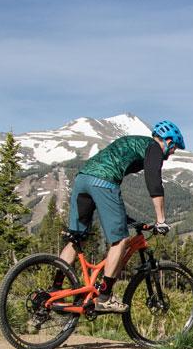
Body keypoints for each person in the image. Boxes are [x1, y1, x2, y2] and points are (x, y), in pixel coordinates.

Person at [54, 120, 185, 312]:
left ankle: (55, 290)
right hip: (104, 182)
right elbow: (154, 182)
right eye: (174, 148)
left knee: (77, 238)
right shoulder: (154, 148)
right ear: (168, 142)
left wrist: (126, 218)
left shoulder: (134, 142)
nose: (173, 152)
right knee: (121, 240)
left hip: (82, 179)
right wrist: (161, 220)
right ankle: (105, 296)